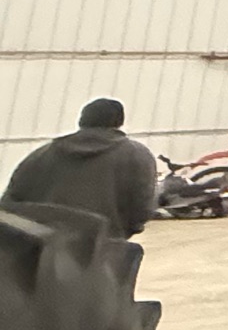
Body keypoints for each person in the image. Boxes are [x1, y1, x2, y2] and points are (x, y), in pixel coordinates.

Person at [4, 98, 159, 237]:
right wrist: (126, 230)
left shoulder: (42, 154)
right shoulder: (137, 155)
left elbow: (10, 200)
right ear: (119, 122)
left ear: (81, 121)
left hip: (41, 248)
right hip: (103, 246)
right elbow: (142, 204)